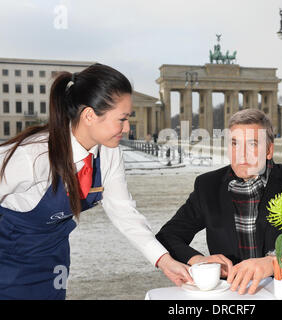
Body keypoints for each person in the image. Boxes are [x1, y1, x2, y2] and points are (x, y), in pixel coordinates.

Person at [0, 64, 191, 300]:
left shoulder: (109, 154)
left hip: (53, 260)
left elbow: (124, 213)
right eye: (122, 119)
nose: (128, 128)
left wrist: (164, 260)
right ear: (90, 115)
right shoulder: (33, 155)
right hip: (8, 261)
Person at [156, 109, 282, 295]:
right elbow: (167, 236)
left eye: (252, 144)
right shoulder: (208, 185)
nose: (241, 154)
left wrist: (275, 262)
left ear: (269, 150)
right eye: (235, 143)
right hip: (232, 294)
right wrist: (197, 260)